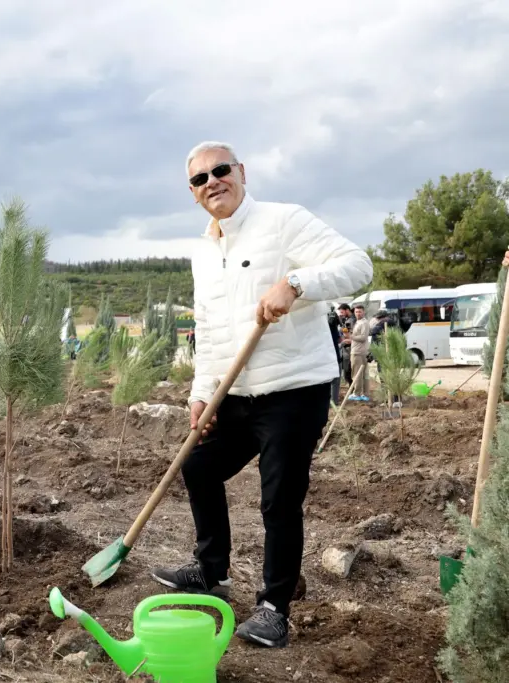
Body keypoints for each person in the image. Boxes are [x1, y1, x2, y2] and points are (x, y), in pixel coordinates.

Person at [150, 141, 372, 648]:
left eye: (220, 171)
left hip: (294, 388)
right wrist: (200, 394)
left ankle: (274, 607)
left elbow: (358, 266)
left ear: (241, 173)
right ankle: (211, 571)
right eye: (200, 179)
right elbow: (208, 330)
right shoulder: (203, 251)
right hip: (237, 392)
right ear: (193, 193)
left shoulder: (284, 221)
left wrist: (296, 284)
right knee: (199, 466)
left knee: (279, 498)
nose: (212, 183)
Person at [348, 304, 371, 401]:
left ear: (363, 312)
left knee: (356, 373)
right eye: (356, 312)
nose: (358, 313)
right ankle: (363, 394)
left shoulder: (364, 323)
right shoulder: (358, 322)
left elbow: (363, 337)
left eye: (360, 311)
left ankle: (357, 393)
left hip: (358, 352)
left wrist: (351, 337)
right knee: (362, 373)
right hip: (359, 351)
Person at [335, 303, 353, 384]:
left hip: (350, 347)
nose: (341, 314)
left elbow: (349, 335)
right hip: (345, 347)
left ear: (347, 310)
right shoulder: (345, 320)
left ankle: (353, 390)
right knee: (346, 371)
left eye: (342, 312)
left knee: (348, 371)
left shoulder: (352, 320)